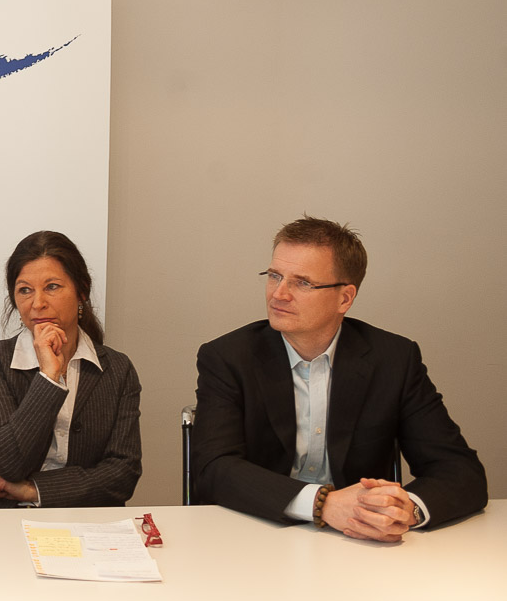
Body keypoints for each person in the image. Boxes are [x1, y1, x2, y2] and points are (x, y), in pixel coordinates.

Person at [192, 216, 487, 540]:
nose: (279, 294)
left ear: (345, 298)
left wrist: (406, 509)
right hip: (255, 534)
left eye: (302, 283)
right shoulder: (228, 357)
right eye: (274, 276)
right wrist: (322, 504)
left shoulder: (393, 359)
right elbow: (214, 469)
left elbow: (460, 471)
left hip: (359, 540)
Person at [0, 231, 142, 508]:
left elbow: (123, 474)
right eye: (25, 290)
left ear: (82, 291)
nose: (37, 304)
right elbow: (8, 463)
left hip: (77, 517)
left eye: (52, 287)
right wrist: (49, 377)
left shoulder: (117, 370)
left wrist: (33, 490)